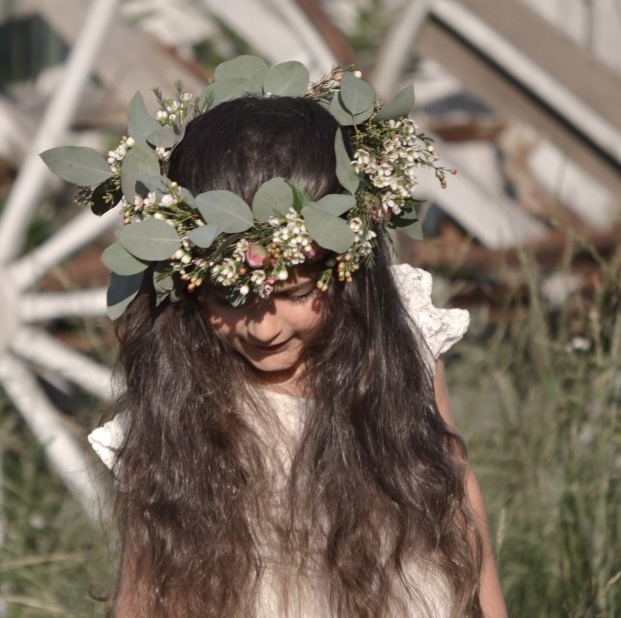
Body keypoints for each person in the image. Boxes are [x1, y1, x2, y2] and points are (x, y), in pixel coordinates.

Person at [44, 57, 507, 617]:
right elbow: (147, 574)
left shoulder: (399, 337)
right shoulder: (183, 390)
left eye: (295, 293)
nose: (263, 327)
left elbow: (455, 487)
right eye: (228, 297)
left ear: (348, 274)